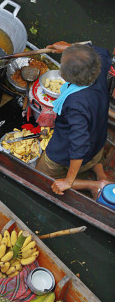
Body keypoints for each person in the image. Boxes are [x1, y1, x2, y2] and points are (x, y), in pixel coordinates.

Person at [36, 42, 111, 197]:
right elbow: (102, 50)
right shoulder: (99, 69)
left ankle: (92, 185)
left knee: (40, 177)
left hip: (64, 155)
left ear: (67, 76)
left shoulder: (76, 104)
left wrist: (68, 181)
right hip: (97, 143)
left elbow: (79, 146)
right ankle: (100, 174)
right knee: (91, 160)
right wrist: (70, 48)